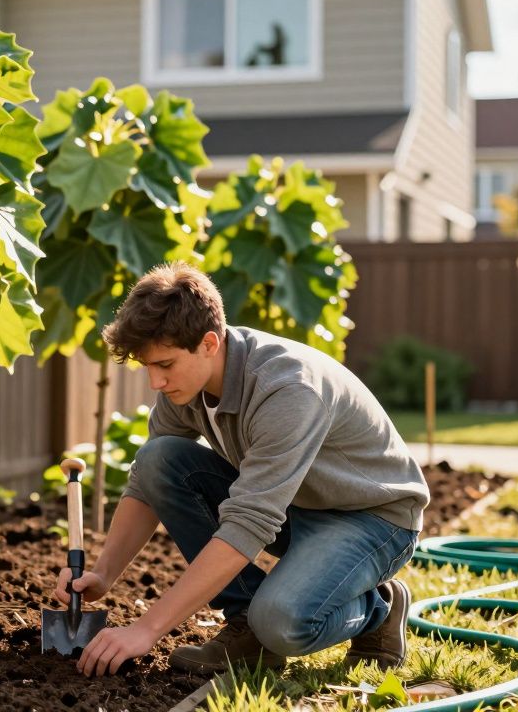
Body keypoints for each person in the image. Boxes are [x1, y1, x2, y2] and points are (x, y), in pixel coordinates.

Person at [54, 261, 427, 678]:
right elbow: (148, 482)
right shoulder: (186, 387)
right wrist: (104, 574)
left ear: (209, 343)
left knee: (282, 624)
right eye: (148, 367)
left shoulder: (287, 390)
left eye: (165, 365)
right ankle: (247, 629)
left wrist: (146, 630)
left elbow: (248, 523)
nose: (154, 382)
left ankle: (380, 607)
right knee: (159, 457)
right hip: (296, 504)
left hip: (371, 519)